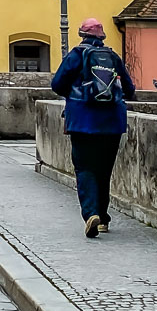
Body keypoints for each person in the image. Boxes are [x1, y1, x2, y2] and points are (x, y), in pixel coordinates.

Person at [51, 18, 136, 239]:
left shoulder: (76, 55)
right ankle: (103, 218)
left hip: (82, 122)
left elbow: (57, 85)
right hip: (112, 122)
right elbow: (129, 89)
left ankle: (90, 214)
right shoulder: (112, 57)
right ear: (102, 37)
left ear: (82, 35)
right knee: (104, 170)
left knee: (85, 168)